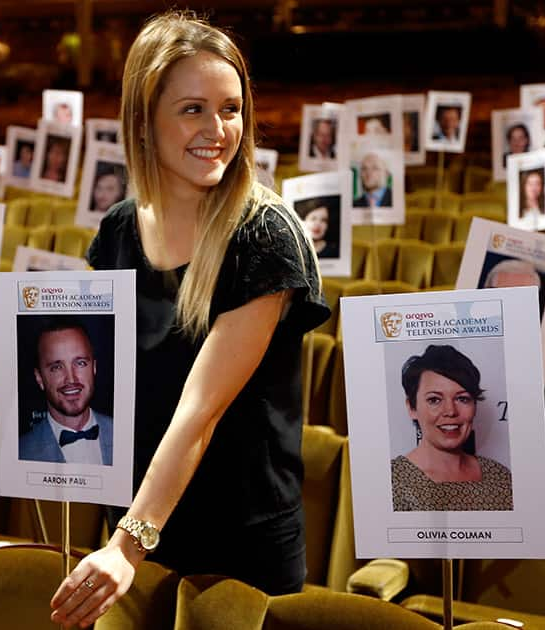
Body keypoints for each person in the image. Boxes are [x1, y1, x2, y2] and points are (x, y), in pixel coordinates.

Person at [49, 12, 329, 628]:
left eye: (230, 110)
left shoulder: (265, 237)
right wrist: (27, 402)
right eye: (193, 109)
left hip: (238, 542)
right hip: (135, 525)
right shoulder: (119, 229)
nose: (218, 130)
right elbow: (107, 381)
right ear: (144, 120)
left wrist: (128, 543)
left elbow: (198, 413)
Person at [391, 344, 513, 512]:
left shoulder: (500, 477)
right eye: (434, 400)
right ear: (412, 408)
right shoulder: (392, 482)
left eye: (462, 399)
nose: (450, 411)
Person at [19, 317, 114, 465]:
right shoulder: (21, 452)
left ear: (94, 368)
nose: (71, 379)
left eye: (80, 363)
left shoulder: (124, 436)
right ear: (39, 378)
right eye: (56, 367)